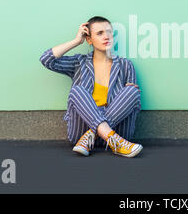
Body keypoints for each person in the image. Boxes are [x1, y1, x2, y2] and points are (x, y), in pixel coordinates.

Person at [39, 16, 143, 158]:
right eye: (100, 33)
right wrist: (76, 41)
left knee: (132, 91)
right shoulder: (79, 63)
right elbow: (46, 59)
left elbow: (132, 105)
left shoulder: (125, 65)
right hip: (81, 131)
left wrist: (129, 95)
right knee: (77, 91)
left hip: (118, 131)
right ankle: (105, 137)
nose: (106, 36)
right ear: (89, 39)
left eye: (109, 32)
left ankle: (99, 134)